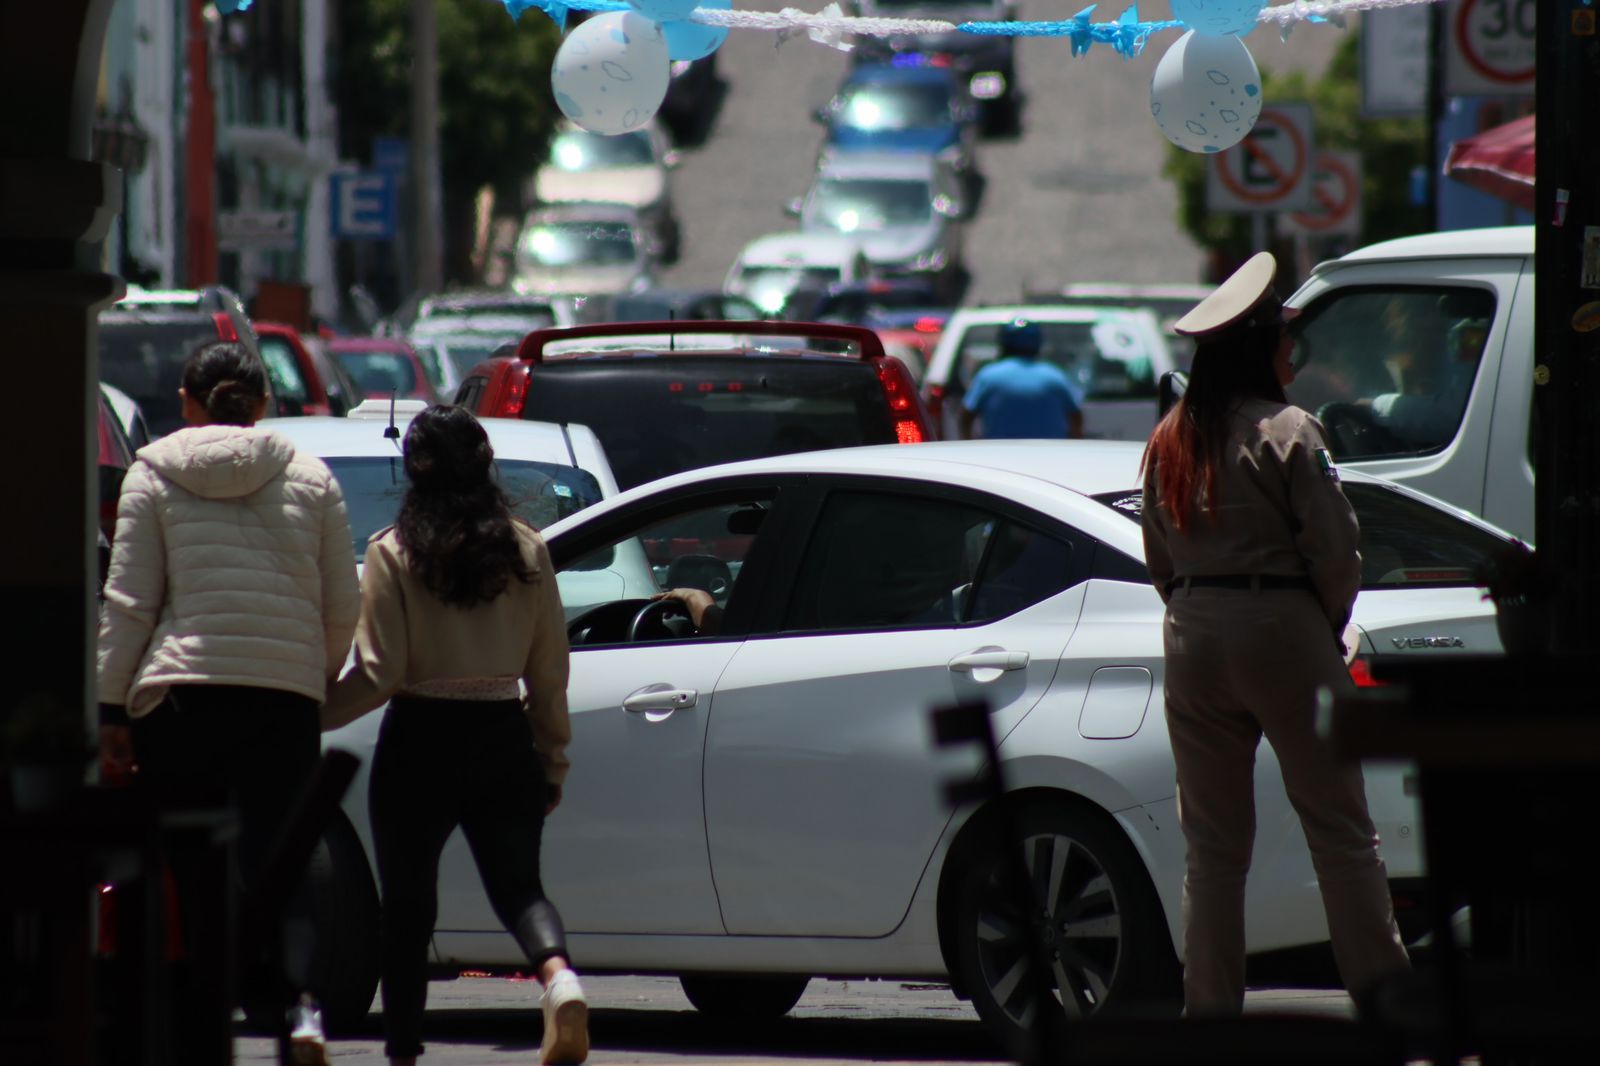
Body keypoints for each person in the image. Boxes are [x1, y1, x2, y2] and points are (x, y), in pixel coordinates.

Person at [1139, 253, 1409, 1016]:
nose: (1295, 350)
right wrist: (1322, 627)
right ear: (1260, 345)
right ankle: (1386, 1005)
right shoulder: (1290, 429)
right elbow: (1335, 550)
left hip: (1192, 632)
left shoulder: (1167, 438)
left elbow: (1159, 556)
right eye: (1286, 337)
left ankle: (1211, 1018)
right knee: (1342, 834)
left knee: (1214, 855)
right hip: (1281, 626)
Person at [97, 340, 362, 1066]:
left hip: (180, 703)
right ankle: (300, 1009)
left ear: (186, 400)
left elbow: (128, 603)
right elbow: (344, 606)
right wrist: (313, 674)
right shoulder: (312, 478)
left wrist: (112, 710)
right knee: (284, 856)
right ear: (265, 404)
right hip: (280, 700)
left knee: (187, 870)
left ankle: (198, 1023)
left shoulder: (151, 476)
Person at [320, 405, 587, 1066]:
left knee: (407, 909)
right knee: (520, 889)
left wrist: (311, 712)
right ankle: (559, 979)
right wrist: (551, 758)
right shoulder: (528, 548)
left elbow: (379, 673)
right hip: (502, 733)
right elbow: (549, 671)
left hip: (419, 739)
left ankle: (404, 1051)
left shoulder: (392, 551)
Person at [958, 317, 1085, 440]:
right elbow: (1076, 416)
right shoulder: (1055, 376)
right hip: (1049, 457)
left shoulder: (988, 376)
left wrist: (969, 443)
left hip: (998, 457)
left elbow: (966, 416)